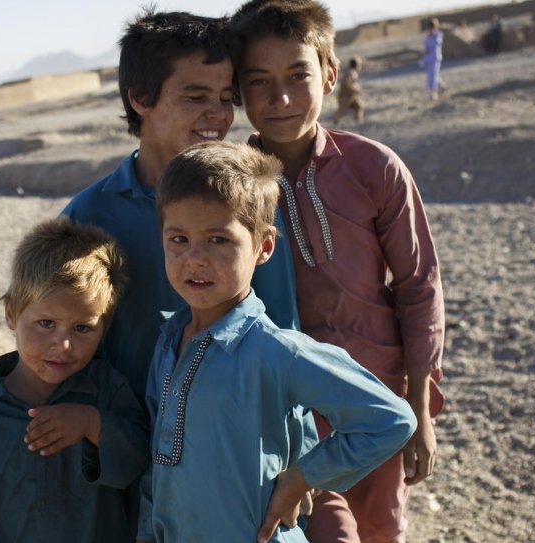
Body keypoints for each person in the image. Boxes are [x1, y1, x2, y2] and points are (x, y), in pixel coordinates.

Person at [228, 1, 446, 541]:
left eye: (297, 76)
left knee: (378, 530)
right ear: (238, 91)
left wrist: (420, 409)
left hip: (375, 401)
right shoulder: (231, 185)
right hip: (283, 410)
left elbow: (419, 286)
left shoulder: (375, 169)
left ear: (329, 74)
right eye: (259, 81)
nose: (280, 98)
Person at [135, 141, 417, 543]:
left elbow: (390, 419)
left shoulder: (276, 352)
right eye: (178, 239)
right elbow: (161, 463)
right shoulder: (167, 343)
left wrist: (302, 478)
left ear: (263, 246)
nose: (194, 258)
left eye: (218, 240)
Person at [61, 8, 298, 404]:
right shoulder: (89, 216)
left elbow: (283, 329)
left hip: (230, 432)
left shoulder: (247, 200)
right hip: (128, 442)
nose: (219, 114)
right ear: (141, 97)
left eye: (226, 98)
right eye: (196, 96)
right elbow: (66, 341)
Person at [0, 218, 149, 542]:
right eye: (46, 323)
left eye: (82, 328)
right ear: (11, 313)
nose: (62, 345)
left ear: (105, 326)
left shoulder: (108, 392)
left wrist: (92, 424)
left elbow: (144, 466)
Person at [421, 17, 445, 100]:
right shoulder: (427, 36)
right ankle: (442, 86)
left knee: (433, 75)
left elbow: (436, 44)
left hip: (436, 58)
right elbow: (426, 48)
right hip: (429, 58)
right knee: (431, 75)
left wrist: (432, 35)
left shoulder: (438, 35)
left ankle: (434, 92)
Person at [335, 57, 364, 126]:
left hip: (351, 96)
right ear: (356, 65)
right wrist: (355, 89)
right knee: (341, 112)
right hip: (346, 96)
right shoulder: (351, 73)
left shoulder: (352, 72)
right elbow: (345, 82)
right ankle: (335, 123)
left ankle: (357, 124)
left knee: (359, 106)